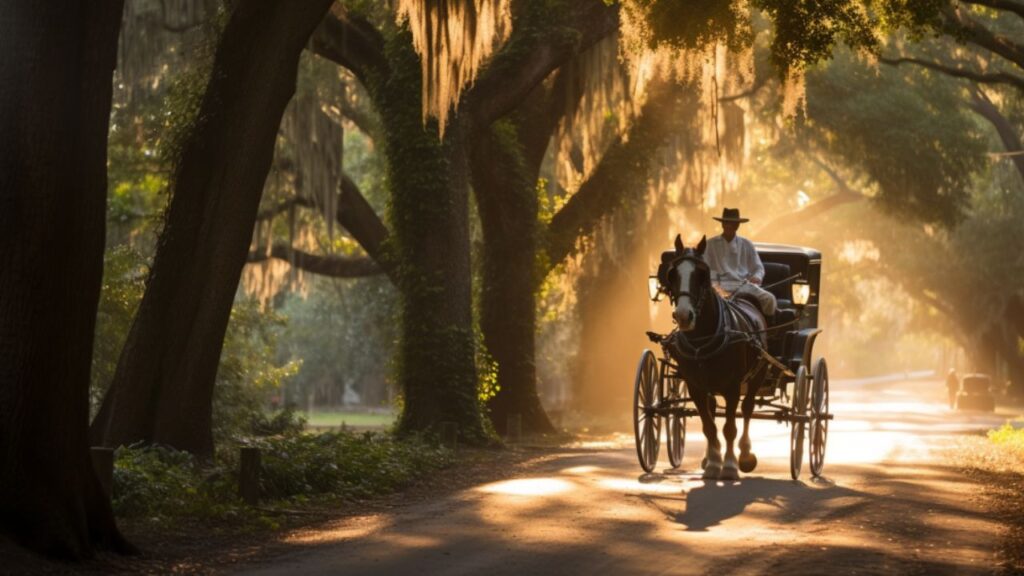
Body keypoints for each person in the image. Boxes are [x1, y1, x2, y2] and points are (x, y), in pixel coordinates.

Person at [703, 207, 777, 317]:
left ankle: (768, 331)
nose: (728, 226)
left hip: (742, 285)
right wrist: (714, 284)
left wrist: (756, 277)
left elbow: (758, 268)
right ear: (722, 224)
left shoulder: (747, 244)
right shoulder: (710, 244)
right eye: (726, 222)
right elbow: (704, 268)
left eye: (732, 223)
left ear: (737, 226)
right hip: (716, 286)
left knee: (769, 299)